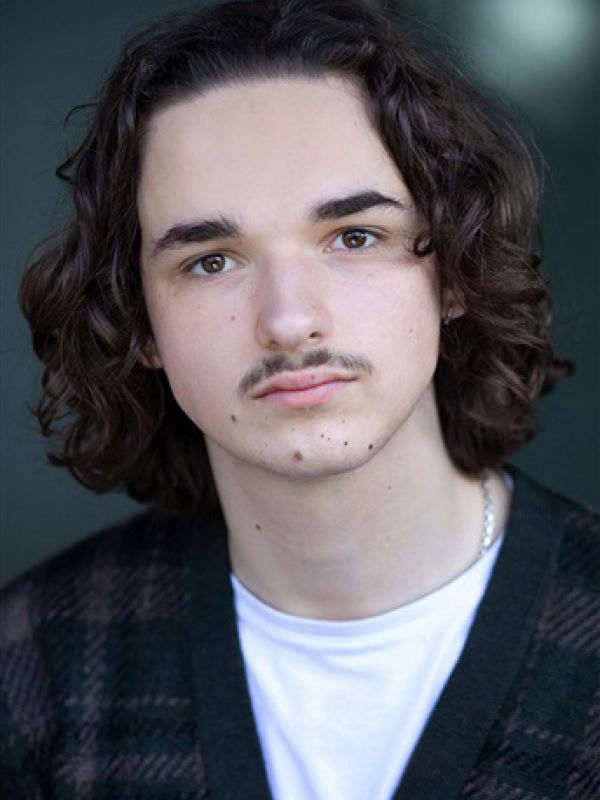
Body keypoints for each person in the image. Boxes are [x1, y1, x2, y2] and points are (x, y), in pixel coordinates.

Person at [1, 0, 598, 797]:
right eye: (211, 261)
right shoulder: (34, 671)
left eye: (354, 237)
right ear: (139, 323)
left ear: (454, 270)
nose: (287, 320)